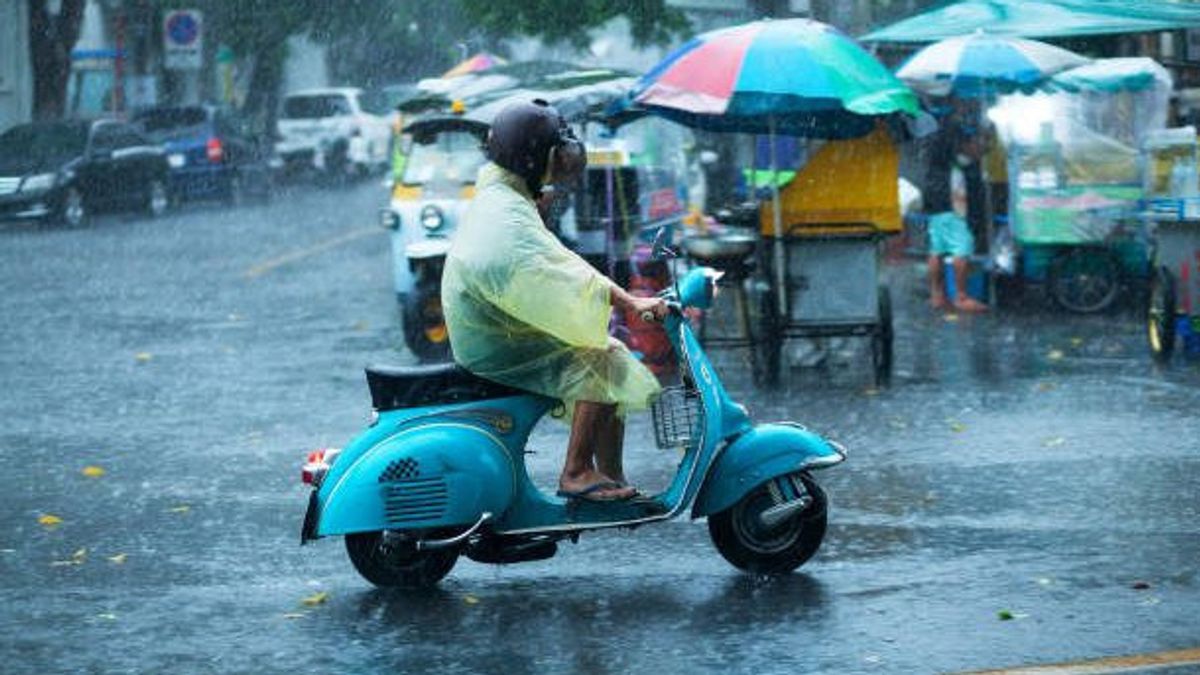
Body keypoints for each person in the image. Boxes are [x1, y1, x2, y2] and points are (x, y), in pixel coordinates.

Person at [442, 100, 667, 503]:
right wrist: (632, 303)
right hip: (490, 338)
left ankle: (609, 474)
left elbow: (552, 259)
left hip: (492, 322)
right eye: (555, 150)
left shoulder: (504, 192)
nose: (564, 158)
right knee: (599, 357)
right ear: (534, 159)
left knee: (609, 353)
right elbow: (565, 274)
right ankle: (576, 472)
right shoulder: (507, 213)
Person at [924, 111, 988, 313]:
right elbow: (970, 157)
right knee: (961, 249)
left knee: (937, 250)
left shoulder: (934, 145)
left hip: (936, 204)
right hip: (955, 206)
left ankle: (937, 295)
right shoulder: (957, 152)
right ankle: (961, 296)